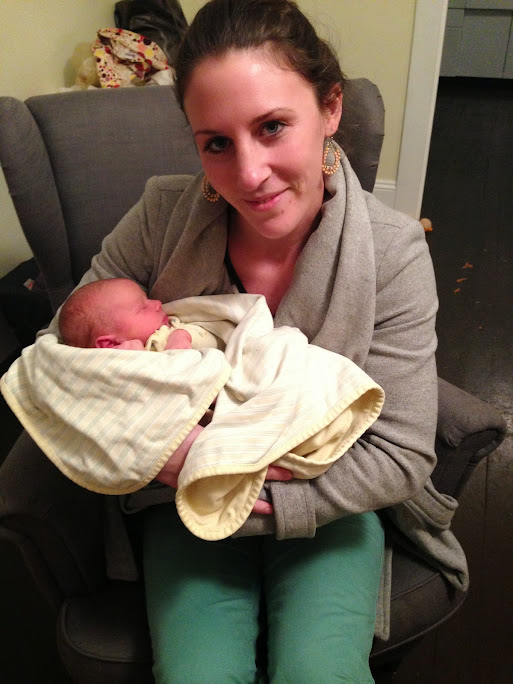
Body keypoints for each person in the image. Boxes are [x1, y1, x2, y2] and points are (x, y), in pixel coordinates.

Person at [26, 0, 444, 680]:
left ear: (330, 108)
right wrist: (162, 450)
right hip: (181, 508)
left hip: (329, 509)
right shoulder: (162, 216)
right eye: (216, 143)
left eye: (272, 127)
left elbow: (400, 454)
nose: (248, 175)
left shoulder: (390, 253)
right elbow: (58, 355)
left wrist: (235, 478)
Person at [58, 277, 219, 351]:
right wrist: (135, 361)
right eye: (142, 308)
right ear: (109, 344)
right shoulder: (110, 365)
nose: (157, 303)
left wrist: (183, 335)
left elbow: (213, 341)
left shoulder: (171, 329)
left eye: (147, 298)